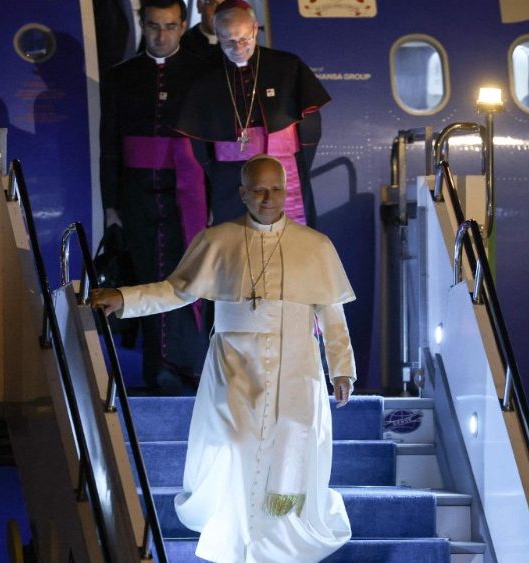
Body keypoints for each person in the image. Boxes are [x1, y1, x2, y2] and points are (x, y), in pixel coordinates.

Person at [90, 155, 355, 562]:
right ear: (243, 193)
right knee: (236, 444)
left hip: (296, 367)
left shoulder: (316, 246)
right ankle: (236, 537)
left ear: (287, 191)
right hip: (236, 365)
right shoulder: (217, 239)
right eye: (259, 190)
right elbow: (176, 290)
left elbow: (331, 314)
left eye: (277, 189)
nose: (269, 199)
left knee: (289, 445)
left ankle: (278, 542)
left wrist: (341, 369)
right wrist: (124, 298)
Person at [99, 0, 209, 394]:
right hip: (138, 191)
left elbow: (211, 143)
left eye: (170, 27)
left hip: (190, 191)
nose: (161, 36)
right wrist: (111, 205)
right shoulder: (121, 76)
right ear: (142, 26)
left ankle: (190, 366)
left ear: (183, 26)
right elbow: (109, 143)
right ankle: (158, 369)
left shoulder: (203, 71)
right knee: (149, 274)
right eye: (153, 27)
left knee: (189, 274)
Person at [176, 0, 331, 227]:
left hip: (283, 168)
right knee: (237, 241)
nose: (238, 48)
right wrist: (218, 175)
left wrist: (298, 165)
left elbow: (310, 127)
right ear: (217, 35)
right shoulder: (206, 78)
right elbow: (200, 144)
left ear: (255, 28)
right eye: (228, 41)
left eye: (244, 39)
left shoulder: (287, 66)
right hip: (230, 178)